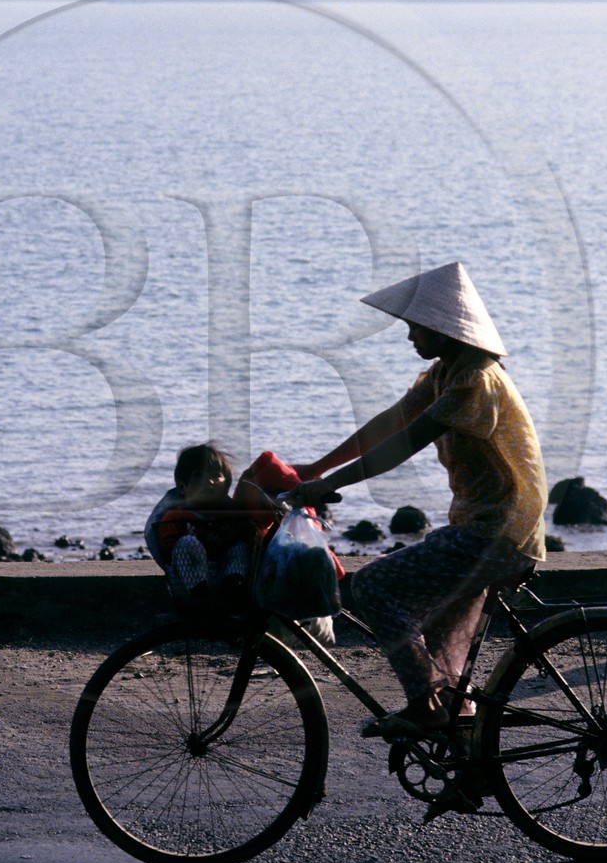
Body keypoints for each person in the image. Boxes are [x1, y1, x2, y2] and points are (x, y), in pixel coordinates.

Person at [287, 263, 547, 750]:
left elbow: (403, 444)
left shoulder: (475, 380)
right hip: (485, 528)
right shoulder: (448, 372)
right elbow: (389, 423)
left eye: (415, 325)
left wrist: (330, 484)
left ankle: (426, 710)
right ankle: (468, 762)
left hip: (496, 532)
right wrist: (317, 469)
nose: (408, 335)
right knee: (443, 657)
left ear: (445, 327)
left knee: (373, 586)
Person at [152, 443, 259, 607]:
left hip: (222, 577)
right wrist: (205, 544)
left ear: (226, 484)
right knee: (187, 543)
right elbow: (167, 550)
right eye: (198, 475)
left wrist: (229, 537)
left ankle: (231, 591)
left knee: (240, 547)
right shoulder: (176, 516)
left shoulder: (230, 515)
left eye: (216, 476)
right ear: (183, 487)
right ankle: (205, 601)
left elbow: (246, 534)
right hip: (189, 585)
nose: (209, 481)